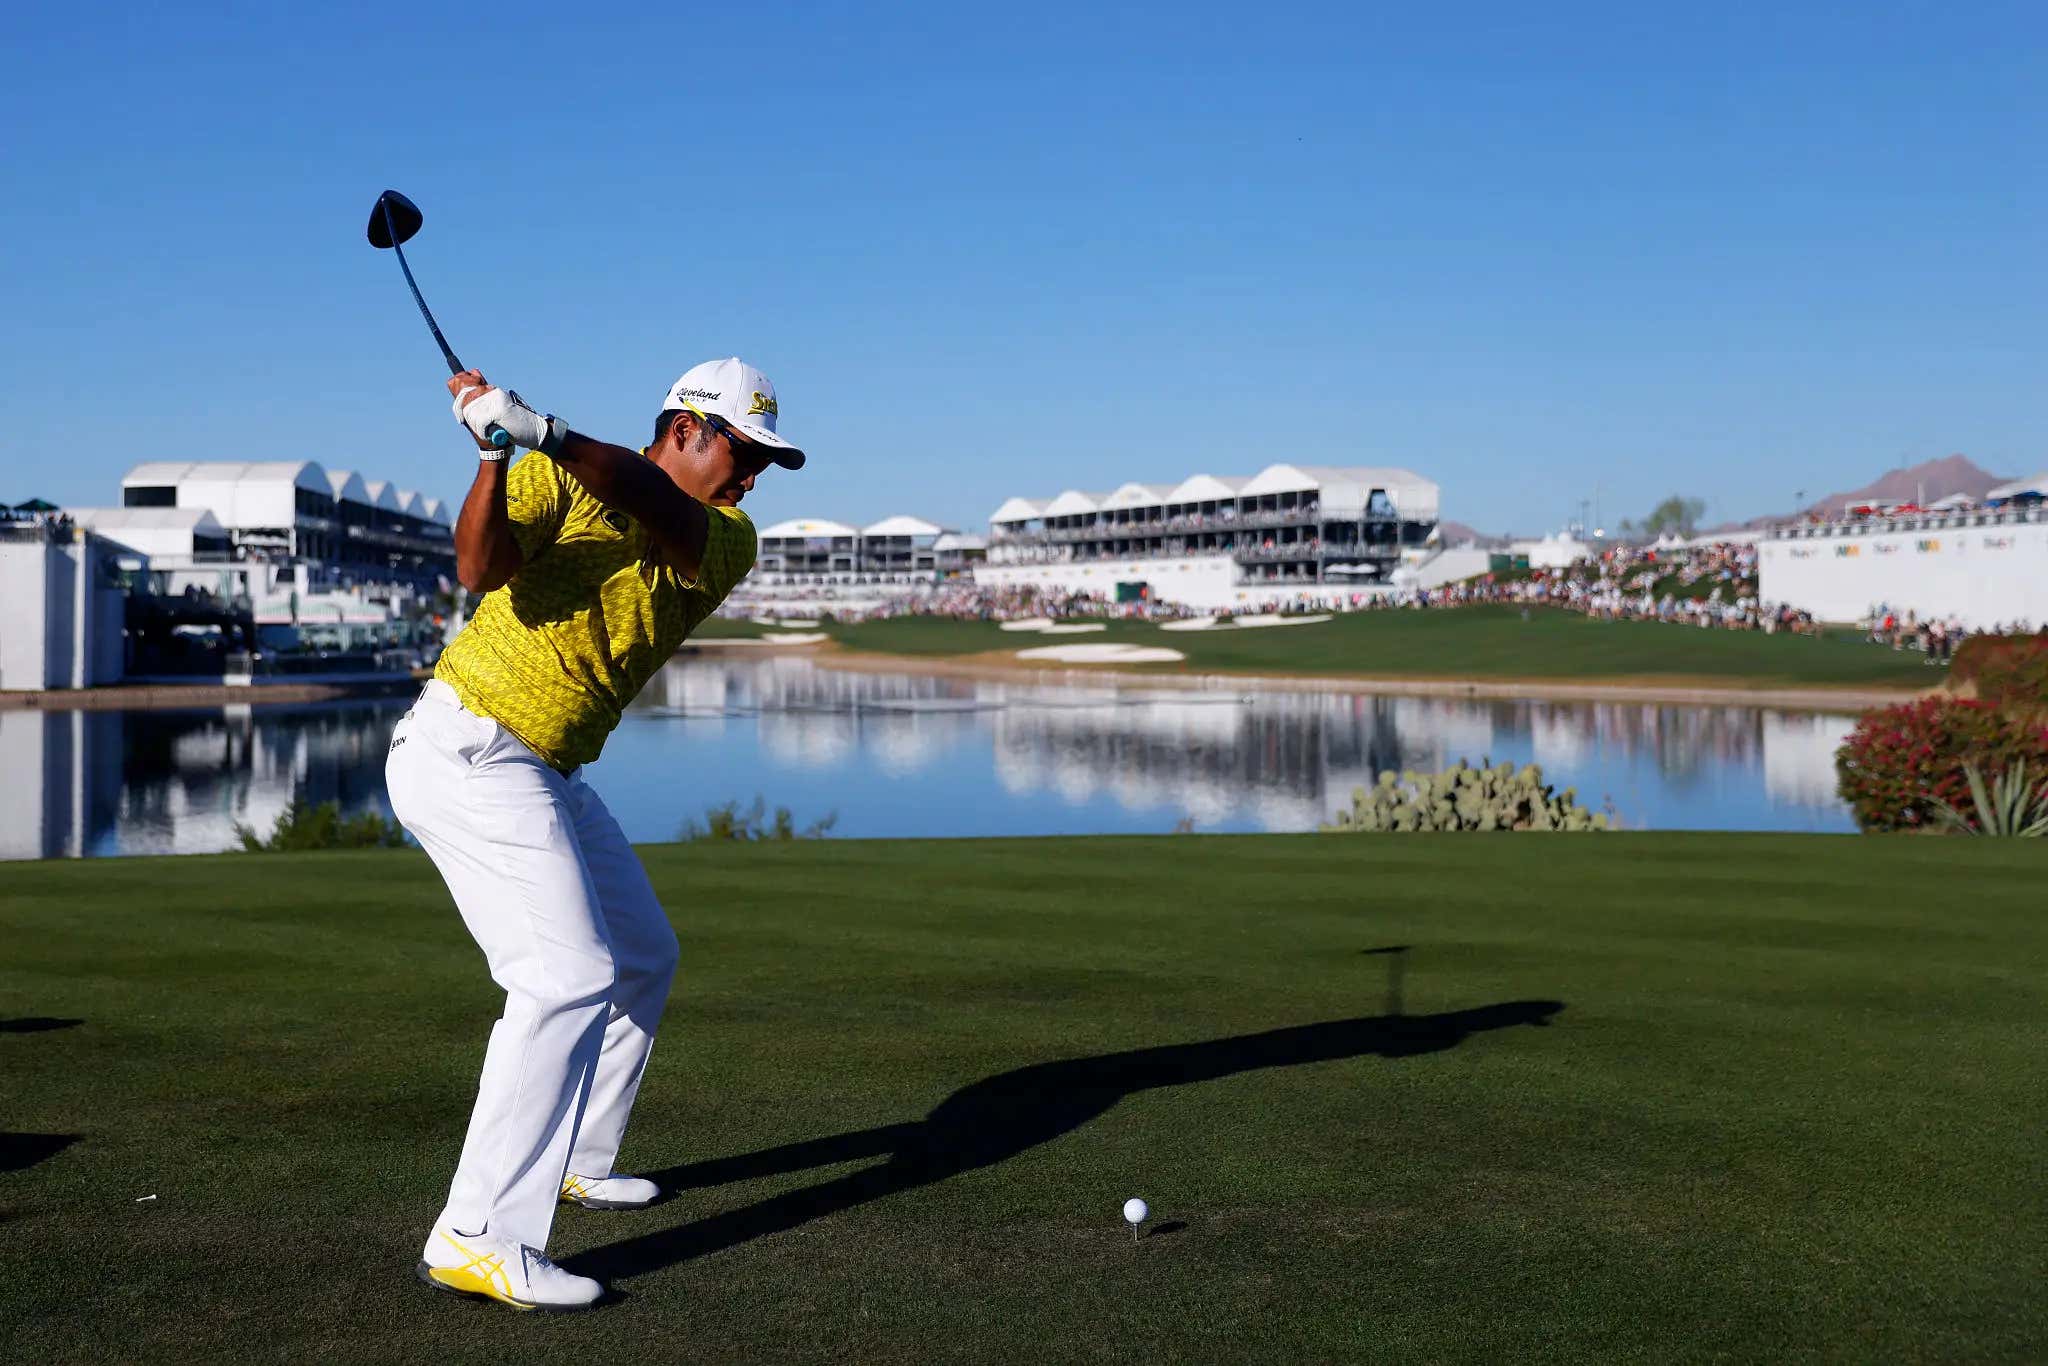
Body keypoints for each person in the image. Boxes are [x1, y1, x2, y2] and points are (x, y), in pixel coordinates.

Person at [384, 357, 804, 1311]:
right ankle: (479, 1235)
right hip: (472, 743)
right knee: (564, 976)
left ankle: (576, 1156)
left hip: (548, 769)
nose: (752, 479)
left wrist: (546, 433)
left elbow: (663, 509)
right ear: (687, 428)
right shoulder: (546, 467)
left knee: (643, 955)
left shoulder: (725, 536)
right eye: (744, 452)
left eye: (765, 465)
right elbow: (476, 568)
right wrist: (497, 456)